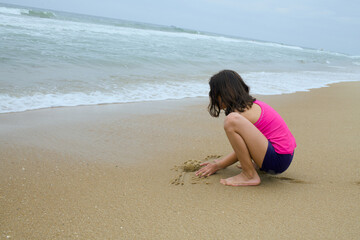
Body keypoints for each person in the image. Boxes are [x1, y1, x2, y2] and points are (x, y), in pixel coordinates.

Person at [195, 70, 296, 186]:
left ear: (223, 94)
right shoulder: (252, 105)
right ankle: (254, 168)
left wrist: (219, 165)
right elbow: (245, 146)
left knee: (231, 120)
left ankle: (249, 175)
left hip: (277, 160)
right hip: (284, 157)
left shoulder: (240, 114)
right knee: (233, 120)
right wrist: (221, 163)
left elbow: (240, 150)